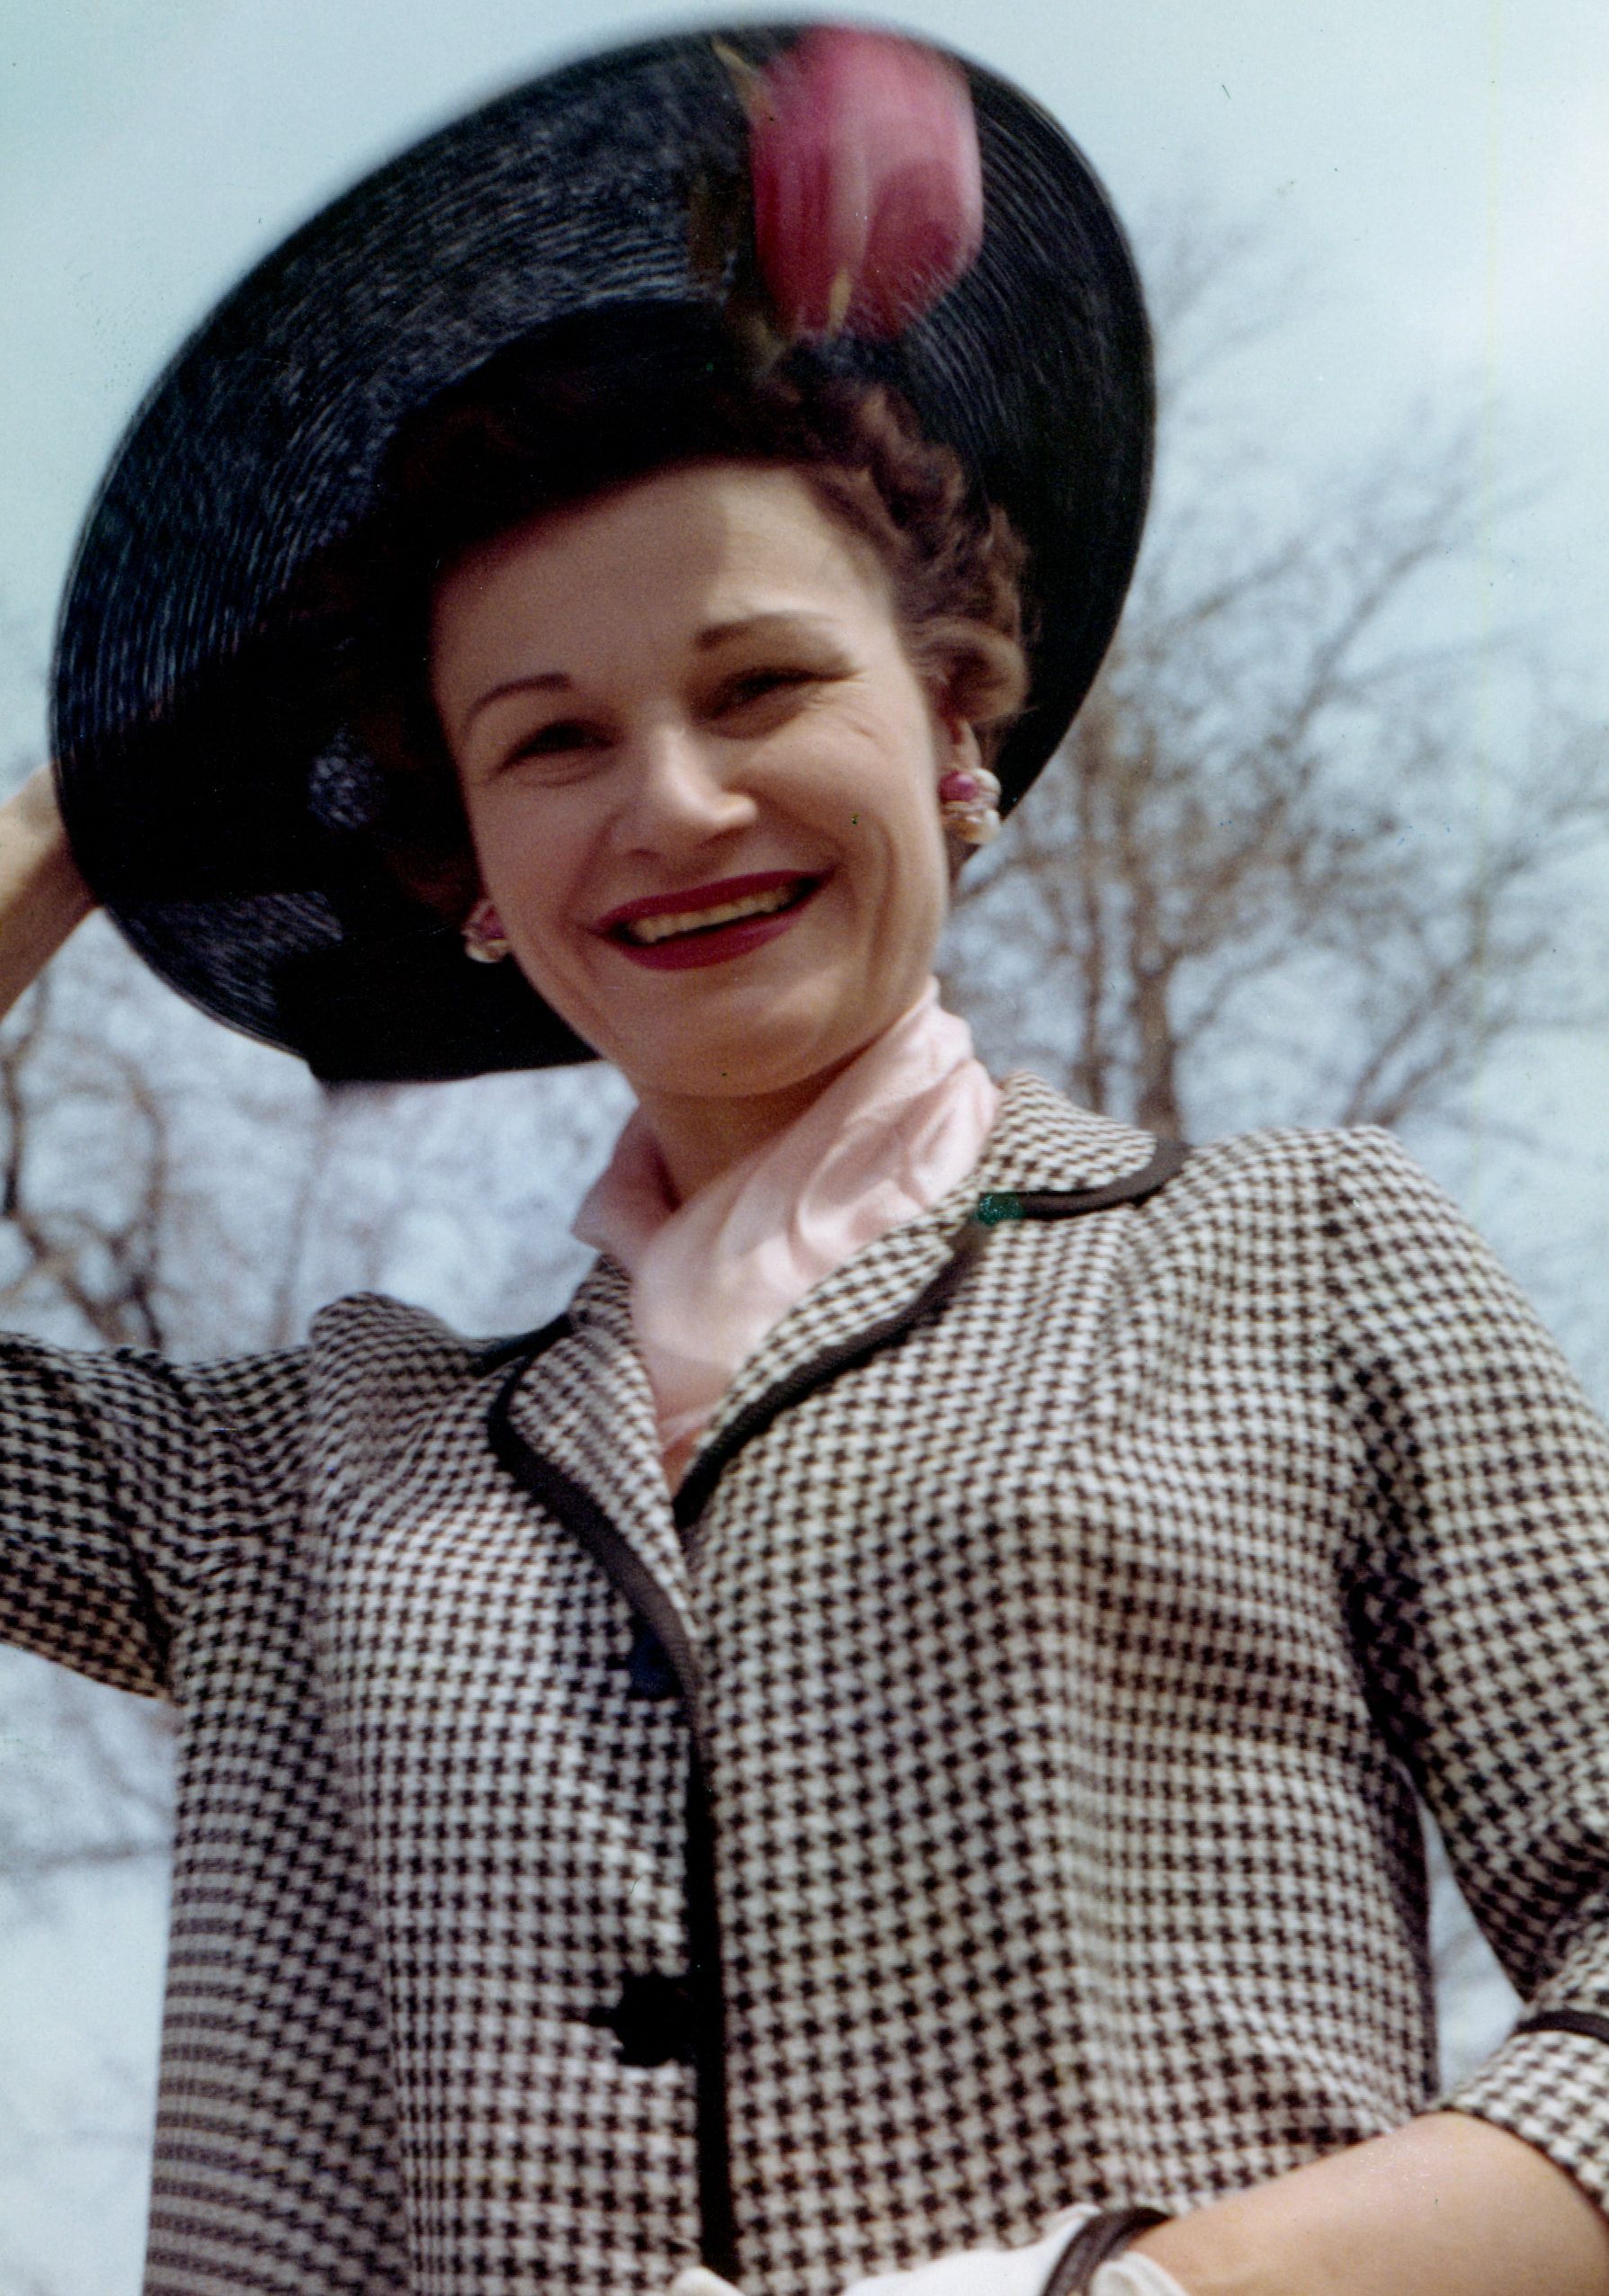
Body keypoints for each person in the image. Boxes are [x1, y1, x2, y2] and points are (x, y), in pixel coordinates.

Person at [3, 23, 1608, 2296]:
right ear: (473, 877)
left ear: (951, 723)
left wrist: (1129, 2294)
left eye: (758, 686)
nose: (670, 801)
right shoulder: (287, 1477)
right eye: (547, 742)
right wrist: (91, 817)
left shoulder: (1301, 1254)